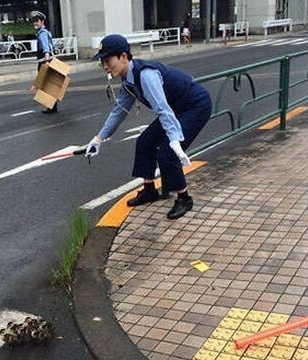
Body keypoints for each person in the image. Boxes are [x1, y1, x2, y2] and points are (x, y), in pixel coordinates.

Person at [84, 34, 212, 220]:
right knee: (145, 142)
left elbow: (163, 109)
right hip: (175, 108)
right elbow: (118, 111)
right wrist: (99, 138)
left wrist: (174, 138)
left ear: (123, 57)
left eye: (108, 60)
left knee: (168, 152)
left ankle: (184, 198)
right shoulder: (128, 80)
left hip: (195, 105)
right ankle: (149, 190)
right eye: (102, 61)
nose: (105, 66)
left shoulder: (146, 75)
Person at [28, 10, 58, 114]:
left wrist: (46, 59)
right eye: (33, 21)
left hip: (45, 61)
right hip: (48, 60)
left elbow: (46, 48)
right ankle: (52, 106)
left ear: (42, 21)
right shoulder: (45, 32)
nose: (35, 23)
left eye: (37, 21)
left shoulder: (42, 34)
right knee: (48, 84)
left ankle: (51, 107)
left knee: (45, 84)